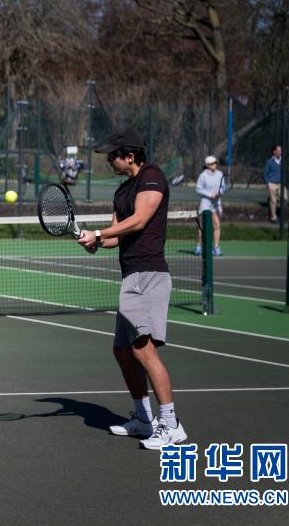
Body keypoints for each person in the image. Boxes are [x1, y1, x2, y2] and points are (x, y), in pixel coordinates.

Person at [76, 127, 187, 449]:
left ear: (130, 156)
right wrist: (97, 242)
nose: (109, 160)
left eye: (113, 155)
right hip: (130, 276)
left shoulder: (151, 177)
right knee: (123, 352)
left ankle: (171, 424)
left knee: (143, 350)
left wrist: (99, 233)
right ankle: (142, 418)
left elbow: (139, 220)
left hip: (150, 275)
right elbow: (118, 235)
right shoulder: (122, 191)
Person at [194, 156, 224, 257]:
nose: (215, 164)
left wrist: (220, 193)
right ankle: (198, 246)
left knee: (217, 225)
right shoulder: (202, 176)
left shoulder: (220, 174)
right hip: (205, 203)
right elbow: (198, 189)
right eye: (212, 163)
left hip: (216, 203)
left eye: (215, 163)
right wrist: (210, 195)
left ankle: (216, 248)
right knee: (202, 226)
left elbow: (223, 187)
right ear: (207, 165)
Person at [263, 145, 288, 223]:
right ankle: (273, 217)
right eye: (278, 150)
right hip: (272, 184)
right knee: (273, 201)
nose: (280, 152)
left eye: (281, 150)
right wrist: (268, 183)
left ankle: (272, 199)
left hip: (281, 184)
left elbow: (284, 172)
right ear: (274, 152)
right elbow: (265, 174)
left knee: (284, 197)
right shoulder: (269, 162)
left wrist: (284, 182)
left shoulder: (283, 161)